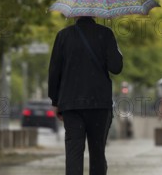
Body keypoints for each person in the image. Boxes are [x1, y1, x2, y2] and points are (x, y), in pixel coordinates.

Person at [48, 16, 123, 175]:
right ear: (95, 13)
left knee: (74, 152)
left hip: (71, 104)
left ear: (75, 14)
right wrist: (116, 50)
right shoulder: (106, 34)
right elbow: (116, 67)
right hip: (99, 104)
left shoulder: (63, 36)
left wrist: (55, 101)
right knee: (97, 153)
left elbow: (54, 71)